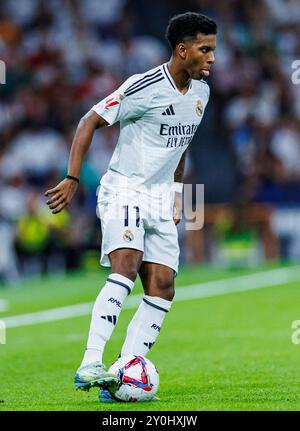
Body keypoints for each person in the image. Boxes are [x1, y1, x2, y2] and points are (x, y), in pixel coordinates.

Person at [45, 11, 217, 402]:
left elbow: (181, 144)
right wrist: (73, 178)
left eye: (213, 50)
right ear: (182, 49)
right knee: (127, 263)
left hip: (161, 197)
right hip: (124, 188)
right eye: (205, 50)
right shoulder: (145, 85)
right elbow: (89, 120)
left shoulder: (202, 94)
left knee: (164, 286)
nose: (211, 58)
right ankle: (90, 362)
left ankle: (125, 373)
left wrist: (176, 191)